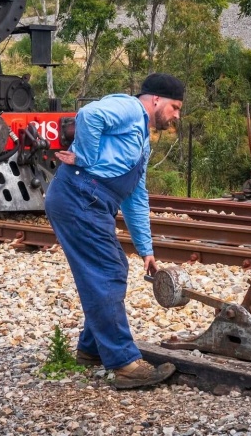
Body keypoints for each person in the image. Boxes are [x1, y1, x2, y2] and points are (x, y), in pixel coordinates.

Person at [45, 73, 184, 390]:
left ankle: (91, 350)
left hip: (88, 200)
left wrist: (146, 249)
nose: (176, 115)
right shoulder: (130, 109)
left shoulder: (143, 141)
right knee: (107, 269)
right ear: (156, 100)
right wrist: (87, 158)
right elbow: (89, 115)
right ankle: (123, 363)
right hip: (79, 196)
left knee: (113, 268)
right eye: (175, 107)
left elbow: (136, 196)